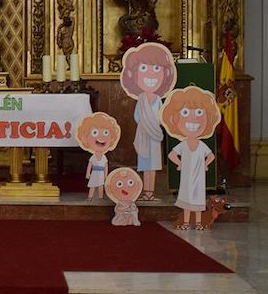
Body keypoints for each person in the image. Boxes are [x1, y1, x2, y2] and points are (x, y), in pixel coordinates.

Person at [119, 42, 177, 201]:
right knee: (145, 167)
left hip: (155, 136)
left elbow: (162, 115)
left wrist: (154, 123)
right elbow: (137, 117)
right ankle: (146, 193)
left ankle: (151, 192)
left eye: (157, 69)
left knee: (153, 167)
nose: (151, 74)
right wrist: (146, 124)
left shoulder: (158, 99)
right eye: (144, 69)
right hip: (144, 135)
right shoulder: (141, 99)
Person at [161, 86, 221, 230]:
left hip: (199, 178)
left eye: (199, 113)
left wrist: (206, 164)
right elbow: (171, 154)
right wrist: (180, 163)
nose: (193, 118)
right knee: (187, 199)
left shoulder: (201, 145)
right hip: (187, 177)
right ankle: (186, 222)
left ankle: (199, 222)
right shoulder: (183, 144)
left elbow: (211, 155)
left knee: (198, 199)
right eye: (186, 112)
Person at [75, 112, 121, 202]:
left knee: (100, 186)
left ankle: (100, 197)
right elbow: (90, 165)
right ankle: (90, 197)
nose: (101, 137)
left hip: (100, 173)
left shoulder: (104, 158)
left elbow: (106, 166)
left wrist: (106, 175)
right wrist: (88, 173)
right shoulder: (93, 157)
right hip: (94, 173)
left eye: (105, 132)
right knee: (92, 185)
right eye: (95, 132)